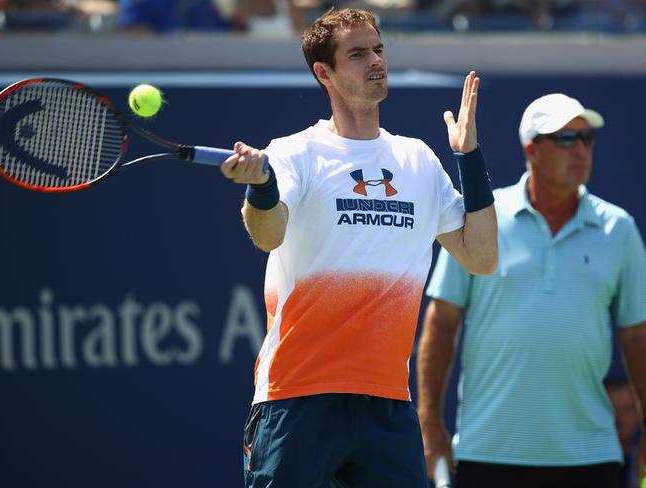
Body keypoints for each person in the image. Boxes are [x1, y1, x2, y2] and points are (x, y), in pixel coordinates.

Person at [218, 7, 498, 487]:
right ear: (323, 73)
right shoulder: (294, 153)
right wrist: (261, 188)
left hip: (387, 405)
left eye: (379, 49)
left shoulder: (418, 160)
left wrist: (468, 157)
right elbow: (267, 234)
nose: (376, 61)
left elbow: (482, 257)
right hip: (296, 398)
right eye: (358, 53)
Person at [416, 92, 646, 488]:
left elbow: (637, 337)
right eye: (565, 139)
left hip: (591, 456)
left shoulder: (619, 229)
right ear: (531, 150)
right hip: (486, 453)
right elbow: (440, 325)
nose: (580, 150)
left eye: (586, 139)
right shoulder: (483, 220)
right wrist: (429, 420)